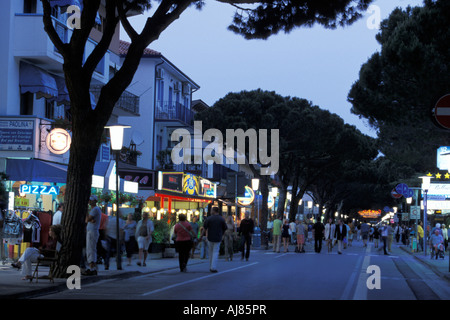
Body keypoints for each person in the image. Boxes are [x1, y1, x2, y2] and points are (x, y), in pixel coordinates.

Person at [202, 207, 227, 273]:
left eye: (211, 210)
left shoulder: (209, 218)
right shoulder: (221, 219)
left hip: (210, 237)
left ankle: (211, 266)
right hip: (218, 237)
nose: (210, 211)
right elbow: (225, 228)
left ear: (213, 211)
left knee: (210, 252)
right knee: (215, 252)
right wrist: (222, 235)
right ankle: (213, 267)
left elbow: (204, 228)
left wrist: (201, 236)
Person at [84, 195, 102, 275]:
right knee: (91, 248)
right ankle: (92, 267)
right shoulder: (95, 210)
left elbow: (87, 219)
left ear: (95, 201)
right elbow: (88, 220)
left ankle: (92, 267)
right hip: (91, 231)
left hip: (92, 231)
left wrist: (87, 213)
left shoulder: (95, 209)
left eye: (91, 200)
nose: (89, 202)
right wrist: (90, 220)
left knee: (91, 249)